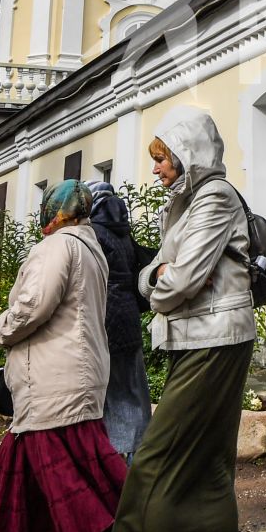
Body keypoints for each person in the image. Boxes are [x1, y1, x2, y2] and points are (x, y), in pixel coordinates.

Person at [100, 109, 257, 532]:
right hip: (200, 338)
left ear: (188, 152)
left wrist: (158, 281)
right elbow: (156, 273)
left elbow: (178, 281)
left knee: (156, 461)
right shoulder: (185, 204)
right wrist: (157, 277)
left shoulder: (214, 198)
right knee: (209, 466)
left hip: (215, 340)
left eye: (163, 158)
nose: (158, 170)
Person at [0, 180, 149, 532]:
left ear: (56, 212)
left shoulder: (55, 248)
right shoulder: (89, 248)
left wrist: (1, 329)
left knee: (77, 481)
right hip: (67, 380)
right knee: (20, 481)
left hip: (53, 385)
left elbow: (33, 307)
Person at [87, 181, 157, 456]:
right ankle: (140, 452)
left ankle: (122, 465)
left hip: (104, 321)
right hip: (128, 320)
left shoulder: (92, 233)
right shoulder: (122, 232)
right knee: (133, 391)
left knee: (112, 397)